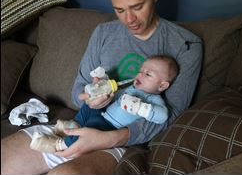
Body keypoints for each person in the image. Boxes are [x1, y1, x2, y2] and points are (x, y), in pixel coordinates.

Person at [1, 0, 203, 175]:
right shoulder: (103, 33)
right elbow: (79, 88)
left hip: (125, 140)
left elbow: (171, 117)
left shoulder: (186, 45)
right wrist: (92, 98)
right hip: (85, 123)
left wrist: (107, 138)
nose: (129, 20)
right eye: (119, 10)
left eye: (137, 6)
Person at [29, 55, 179, 153]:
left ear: (162, 86)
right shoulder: (131, 88)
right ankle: (74, 125)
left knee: (91, 128)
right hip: (103, 113)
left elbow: (162, 116)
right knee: (88, 107)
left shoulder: (153, 100)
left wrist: (140, 107)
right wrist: (103, 89)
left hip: (110, 127)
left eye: (147, 74)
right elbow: (114, 96)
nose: (139, 74)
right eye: (140, 71)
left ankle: (58, 145)